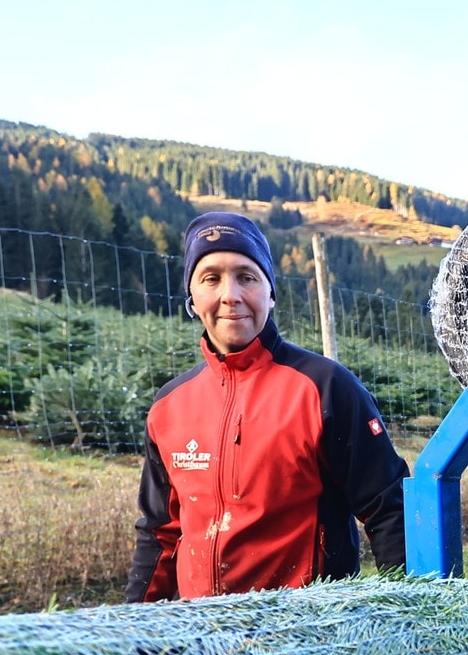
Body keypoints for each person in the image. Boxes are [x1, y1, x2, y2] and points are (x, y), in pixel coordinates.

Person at [126, 211, 407, 602]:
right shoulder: (170, 406)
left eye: (247, 276)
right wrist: (134, 636)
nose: (230, 295)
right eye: (211, 278)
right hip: (202, 636)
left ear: (270, 293)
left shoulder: (325, 388)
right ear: (192, 297)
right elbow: (160, 532)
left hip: (307, 638)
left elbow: (389, 509)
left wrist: (405, 619)